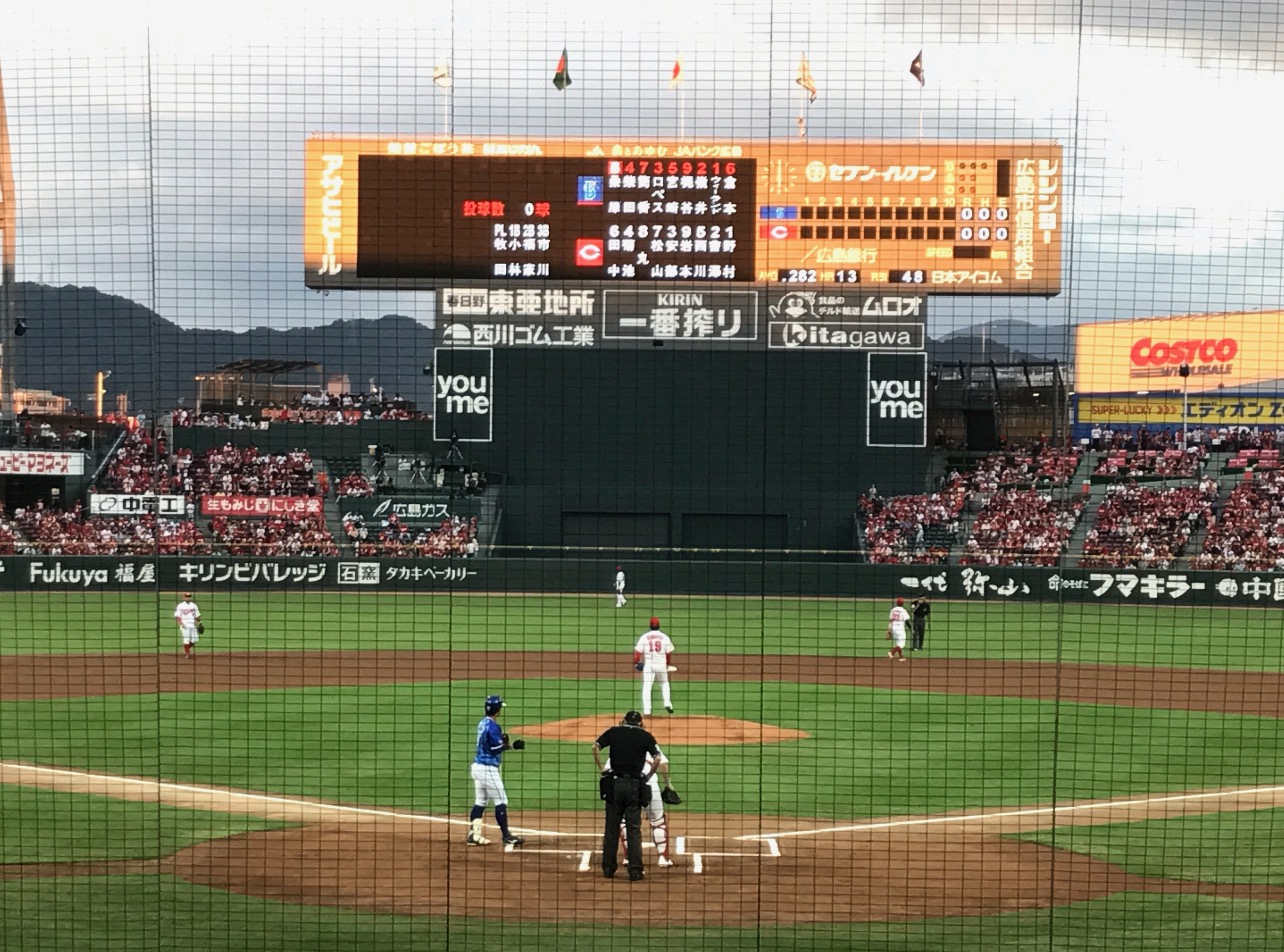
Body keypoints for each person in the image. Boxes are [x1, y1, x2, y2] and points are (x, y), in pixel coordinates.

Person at [593, 710, 662, 881]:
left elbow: (595, 746)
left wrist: (601, 768)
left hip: (614, 785)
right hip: (634, 786)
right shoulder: (645, 736)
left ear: (623, 721)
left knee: (611, 829)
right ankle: (635, 870)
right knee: (633, 830)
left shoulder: (614, 732)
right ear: (639, 723)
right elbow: (658, 759)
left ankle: (608, 869)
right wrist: (647, 777)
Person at [466, 694, 524, 848]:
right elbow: (494, 749)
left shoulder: (482, 723)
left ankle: (474, 835)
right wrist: (508, 745)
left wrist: (508, 745)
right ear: (497, 710)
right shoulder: (493, 726)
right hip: (487, 769)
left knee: (481, 801)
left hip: (478, 766)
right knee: (501, 800)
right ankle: (506, 836)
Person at [605, 746, 676, 867]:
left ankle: (629, 858)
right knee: (658, 821)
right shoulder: (648, 742)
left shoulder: (619, 746)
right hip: (650, 786)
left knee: (625, 821)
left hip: (628, 788)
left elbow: (606, 770)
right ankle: (663, 858)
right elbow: (664, 764)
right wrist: (667, 784)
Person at [634, 617, 675, 715]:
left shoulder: (644, 637)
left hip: (649, 665)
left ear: (650, 626)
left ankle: (647, 711)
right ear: (659, 626)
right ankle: (667, 703)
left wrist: (636, 663)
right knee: (664, 684)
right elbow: (668, 653)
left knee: (647, 687)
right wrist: (667, 664)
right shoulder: (665, 637)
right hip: (661, 664)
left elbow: (637, 653)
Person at [174, 591, 202, 659]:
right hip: (185, 625)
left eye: (189, 597)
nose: (188, 598)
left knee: (194, 640)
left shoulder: (194, 605)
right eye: (186, 597)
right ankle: (187, 653)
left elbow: (197, 615)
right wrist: (181, 623)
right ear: (183, 597)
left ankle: (186, 648)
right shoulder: (180, 606)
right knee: (186, 639)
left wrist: (200, 623)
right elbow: (178, 616)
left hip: (192, 625)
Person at [886, 597, 910, 662]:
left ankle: (901, 657)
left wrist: (889, 630)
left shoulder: (893, 610)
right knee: (902, 644)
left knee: (898, 643)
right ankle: (891, 652)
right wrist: (911, 628)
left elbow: (890, 621)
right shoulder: (903, 610)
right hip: (900, 629)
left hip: (894, 628)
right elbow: (907, 621)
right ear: (903, 603)